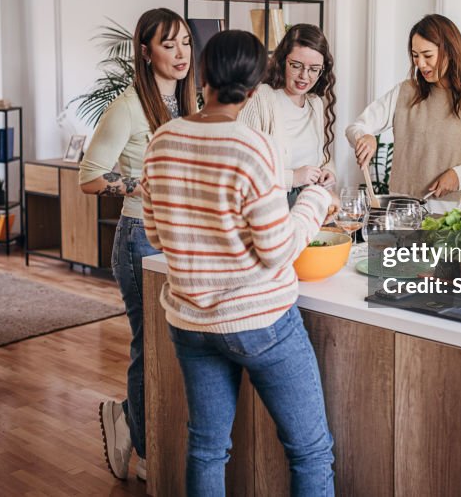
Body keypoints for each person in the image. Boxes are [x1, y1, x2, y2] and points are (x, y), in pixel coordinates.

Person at [141, 30, 337, 495]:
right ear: (254, 90)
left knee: (207, 449)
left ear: (203, 75)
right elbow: (277, 251)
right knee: (310, 451)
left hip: (191, 322)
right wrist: (314, 199)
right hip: (260, 322)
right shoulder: (254, 147)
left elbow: (155, 235)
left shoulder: (163, 141)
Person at [78, 7, 197, 482]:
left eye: (186, 41)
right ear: (146, 53)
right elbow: (88, 177)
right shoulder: (127, 106)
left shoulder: (192, 104)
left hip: (182, 238)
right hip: (139, 239)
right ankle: (146, 450)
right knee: (148, 345)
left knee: (174, 346)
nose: (181, 53)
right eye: (169, 44)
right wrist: (140, 184)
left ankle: (131, 415)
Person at [346, 13, 461, 209]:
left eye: (427, 56)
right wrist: (364, 137)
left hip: (456, 216)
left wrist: (458, 176)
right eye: (415, 55)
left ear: (450, 51)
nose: (420, 64)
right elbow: (357, 127)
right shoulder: (405, 92)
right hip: (404, 212)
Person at [239, 23, 337, 205]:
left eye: (314, 69)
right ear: (283, 61)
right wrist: (292, 178)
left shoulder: (314, 102)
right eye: (296, 65)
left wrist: (328, 171)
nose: (304, 76)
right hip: (268, 212)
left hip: (308, 209)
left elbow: (321, 156)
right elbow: (243, 168)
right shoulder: (260, 98)